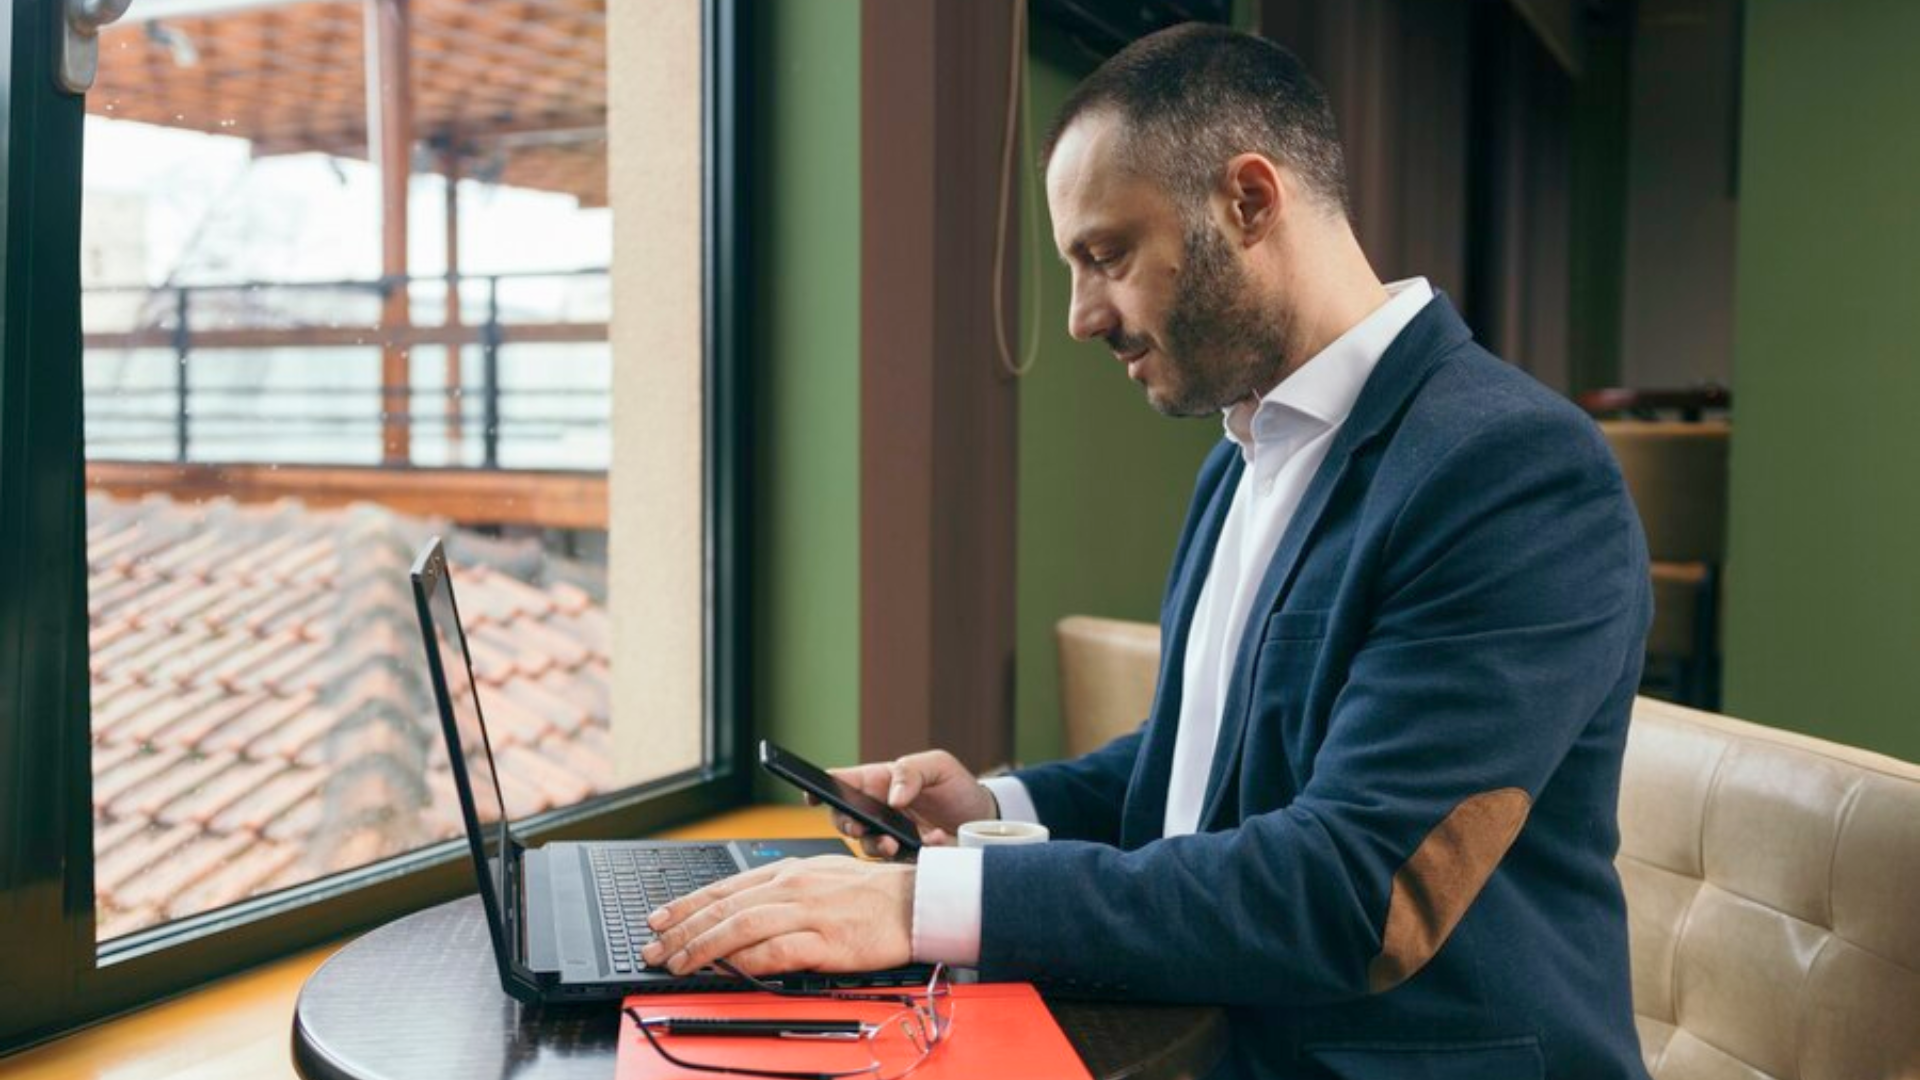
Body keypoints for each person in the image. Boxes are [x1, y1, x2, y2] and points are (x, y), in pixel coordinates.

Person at [643, 22, 1652, 1080]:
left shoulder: (1513, 471)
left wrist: (916, 904)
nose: (1082, 317)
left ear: (1250, 201)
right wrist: (996, 809)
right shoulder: (1242, 454)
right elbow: (1206, 766)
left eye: (1105, 255)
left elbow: (1356, 892)